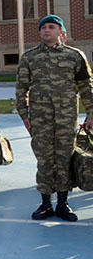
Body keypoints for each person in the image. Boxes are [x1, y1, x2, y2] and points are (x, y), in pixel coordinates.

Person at [15, 15, 93, 222]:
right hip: (40, 118)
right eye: (44, 28)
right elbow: (21, 88)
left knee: (65, 158)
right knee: (44, 159)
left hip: (66, 118)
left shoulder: (75, 56)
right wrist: (24, 115)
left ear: (60, 31)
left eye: (52, 27)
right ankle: (45, 203)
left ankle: (63, 203)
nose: (47, 30)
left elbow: (87, 87)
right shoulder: (30, 57)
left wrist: (91, 113)